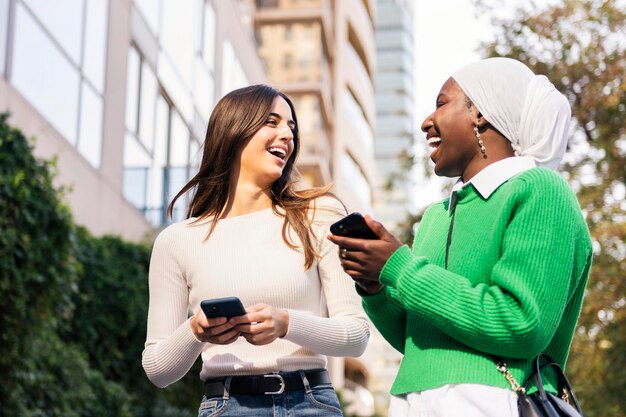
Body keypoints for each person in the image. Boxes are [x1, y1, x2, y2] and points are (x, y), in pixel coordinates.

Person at [328, 57, 592, 417]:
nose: (425, 122)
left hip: (495, 400)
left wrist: (400, 268)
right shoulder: (436, 216)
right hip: (411, 402)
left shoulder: (541, 191)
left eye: (441, 103)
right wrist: (376, 286)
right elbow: (415, 337)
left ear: (479, 113)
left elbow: (521, 323)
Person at [142, 84, 370, 417]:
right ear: (235, 129)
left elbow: (356, 335)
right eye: (272, 122)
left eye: (291, 127)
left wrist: (287, 323)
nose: (287, 136)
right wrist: (195, 331)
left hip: (311, 403)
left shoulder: (318, 214)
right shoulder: (177, 241)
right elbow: (158, 369)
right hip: (226, 406)